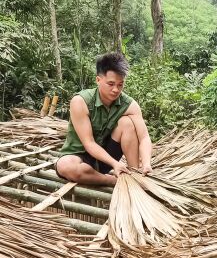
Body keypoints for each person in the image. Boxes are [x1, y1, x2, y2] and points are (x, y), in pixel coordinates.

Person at [55, 52, 153, 186]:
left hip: (105, 160)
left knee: (127, 123)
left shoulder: (130, 105)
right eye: (111, 84)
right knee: (65, 166)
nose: (115, 90)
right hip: (80, 156)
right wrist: (115, 164)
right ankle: (113, 181)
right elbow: (89, 143)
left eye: (120, 85)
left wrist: (147, 163)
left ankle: (134, 173)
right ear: (98, 80)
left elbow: (144, 137)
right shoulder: (80, 101)